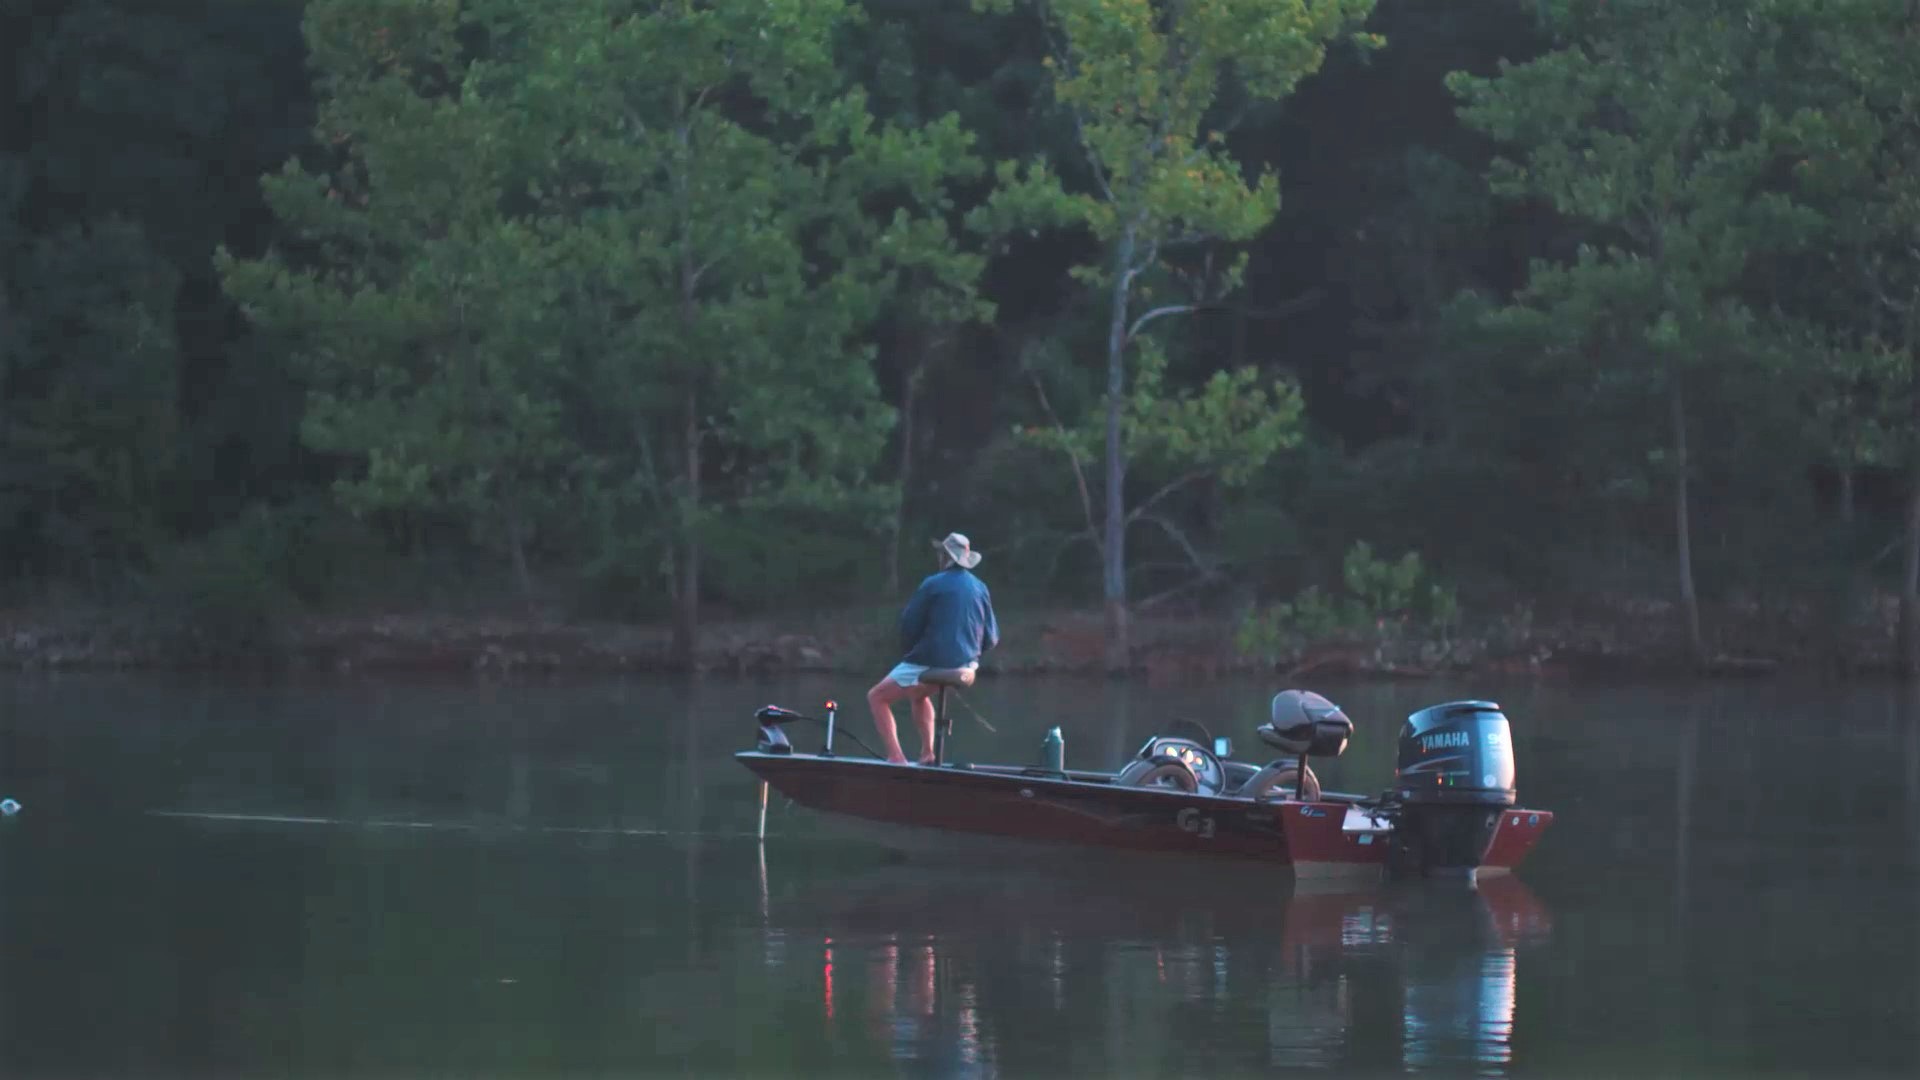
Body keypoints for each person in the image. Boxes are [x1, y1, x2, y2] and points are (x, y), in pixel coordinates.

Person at [867, 531, 1001, 765]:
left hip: (931, 660)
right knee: (919, 695)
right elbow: (991, 638)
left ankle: (896, 757)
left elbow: (909, 625)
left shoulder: (933, 583)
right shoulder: (981, 587)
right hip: (967, 666)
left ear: (944, 556)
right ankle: (928, 754)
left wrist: (912, 654)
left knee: (877, 697)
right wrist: (968, 657)